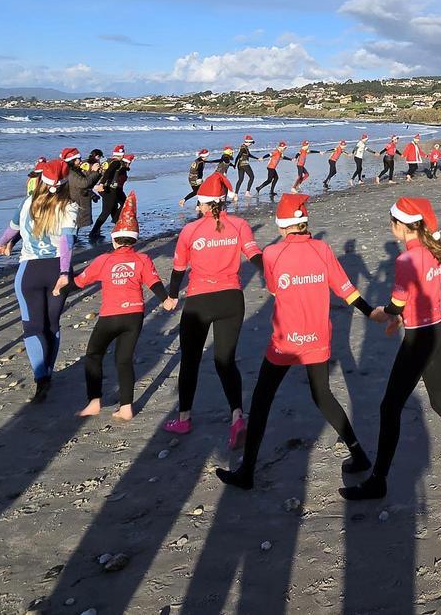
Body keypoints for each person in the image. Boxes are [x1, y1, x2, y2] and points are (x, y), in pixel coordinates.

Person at [217, 194, 374, 490]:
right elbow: (346, 290)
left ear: (282, 226)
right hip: (318, 338)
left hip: (286, 341)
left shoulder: (272, 253)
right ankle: (359, 455)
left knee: (262, 400)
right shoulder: (322, 249)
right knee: (323, 395)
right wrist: (371, 312)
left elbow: (275, 289)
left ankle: (247, 471)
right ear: (304, 223)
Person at [340, 198, 441, 501]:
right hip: (437, 330)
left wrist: (384, 313)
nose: (389, 225)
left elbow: (397, 302)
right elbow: (418, 295)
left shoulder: (406, 259)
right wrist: (399, 317)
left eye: (391, 220)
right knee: (440, 399)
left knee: (389, 407)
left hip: (419, 339)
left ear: (403, 225)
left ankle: (378, 481)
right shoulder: (433, 248)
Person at [163, 173, 264, 446]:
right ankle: (237, 417)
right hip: (232, 300)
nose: (198, 207)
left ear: (206, 204)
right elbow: (254, 254)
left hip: (200, 301)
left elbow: (178, 269)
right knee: (225, 361)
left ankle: (184, 419)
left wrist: (172, 296)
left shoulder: (190, 230)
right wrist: (271, 276)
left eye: (200, 203)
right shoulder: (240, 225)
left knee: (190, 360)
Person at [73, 194, 173, 421]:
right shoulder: (142, 259)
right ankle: (126, 407)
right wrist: (165, 299)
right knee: (124, 360)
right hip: (134, 315)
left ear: (115, 240)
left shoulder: (104, 260)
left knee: (94, 354)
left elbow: (80, 282)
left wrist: (60, 289)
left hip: (110, 316)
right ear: (134, 241)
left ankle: (94, 402)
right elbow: (154, 282)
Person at [0, 159, 78, 402]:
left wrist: (2, 244)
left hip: (29, 271)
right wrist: (64, 274)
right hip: (57, 271)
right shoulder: (69, 206)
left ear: (41, 180)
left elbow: (11, 229)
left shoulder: (26, 202)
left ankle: (41, 378)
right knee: (52, 325)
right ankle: (47, 373)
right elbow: (67, 242)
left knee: (33, 327)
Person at [89, 146, 129, 242]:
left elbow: (102, 172)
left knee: (115, 206)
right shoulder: (116, 162)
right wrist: (101, 184)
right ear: (122, 154)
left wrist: (96, 184)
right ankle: (93, 232)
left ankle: (117, 224)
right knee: (106, 211)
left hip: (107, 189)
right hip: (109, 189)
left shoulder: (107, 161)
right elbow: (108, 172)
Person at [62, 147, 102, 243]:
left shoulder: (75, 170)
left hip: (78, 200)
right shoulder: (71, 172)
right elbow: (84, 183)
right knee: (74, 225)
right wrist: (94, 172)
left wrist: (97, 173)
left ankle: (72, 242)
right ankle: (70, 243)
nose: (80, 161)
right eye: (78, 159)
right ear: (73, 160)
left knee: (76, 225)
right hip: (75, 201)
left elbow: (88, 183)